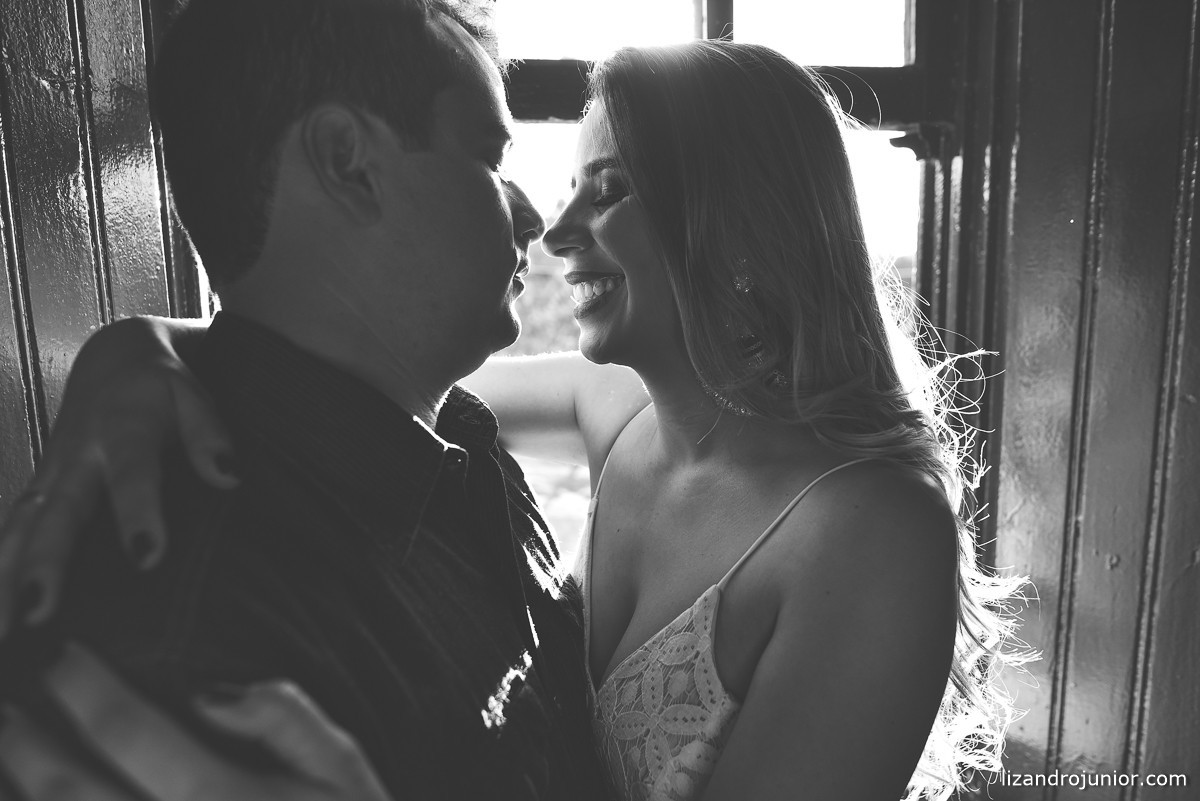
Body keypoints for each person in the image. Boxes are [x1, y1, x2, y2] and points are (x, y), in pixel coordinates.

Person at [0, 39, 1026, 801]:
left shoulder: (872, 529)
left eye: (608, 190)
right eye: (547, 178)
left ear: (743, 225)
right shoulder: (616, 412)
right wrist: (138, 347)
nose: (556, 229)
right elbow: (352, 386)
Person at [0, 0, 610, 799]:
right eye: (490, 160)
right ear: (347, 163)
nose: (531, 217)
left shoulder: (458, 438)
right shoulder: (187, 644)